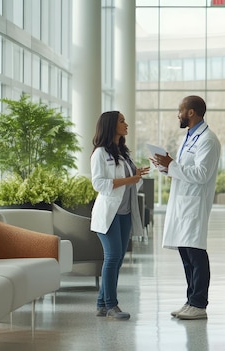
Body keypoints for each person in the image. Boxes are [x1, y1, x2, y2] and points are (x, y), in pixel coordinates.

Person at [151, 95, 221, 320]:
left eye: (180, 110)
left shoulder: (208, 139)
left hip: (194, 203)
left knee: (195, 253)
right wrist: (166, 167)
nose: (178, 114)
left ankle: (199, 304)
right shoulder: (189, 137)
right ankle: (191, 300)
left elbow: (202, 175)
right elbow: (183, 169)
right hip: (182, 202)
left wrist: (172, 166)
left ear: (191, 112)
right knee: (186, 253)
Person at [90, 111, 150, 320]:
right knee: (112, 257)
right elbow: (98, 184)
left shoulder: (122, 152)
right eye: (122, 121)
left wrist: (136, 175)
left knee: (118, 259)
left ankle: (101, 304)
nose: (126, 124)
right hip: (109, 214)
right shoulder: (100, 153)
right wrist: (128, 180)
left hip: (124, 213)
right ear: (110, 126)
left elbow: (131, 182)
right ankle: (111, 305)